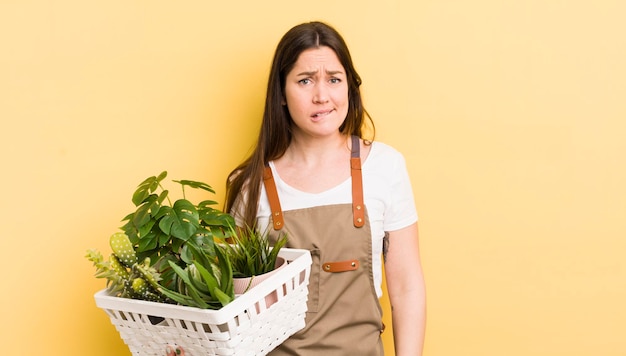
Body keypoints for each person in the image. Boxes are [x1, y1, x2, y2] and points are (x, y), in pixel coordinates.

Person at [223, 21, 426, 355]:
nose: (322, 96)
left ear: (349, 87)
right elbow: (231, 305)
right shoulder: (249, 185)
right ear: (282, 94)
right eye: (305, 81)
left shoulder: (386, 167)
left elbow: (406, 287)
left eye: (334, 79)